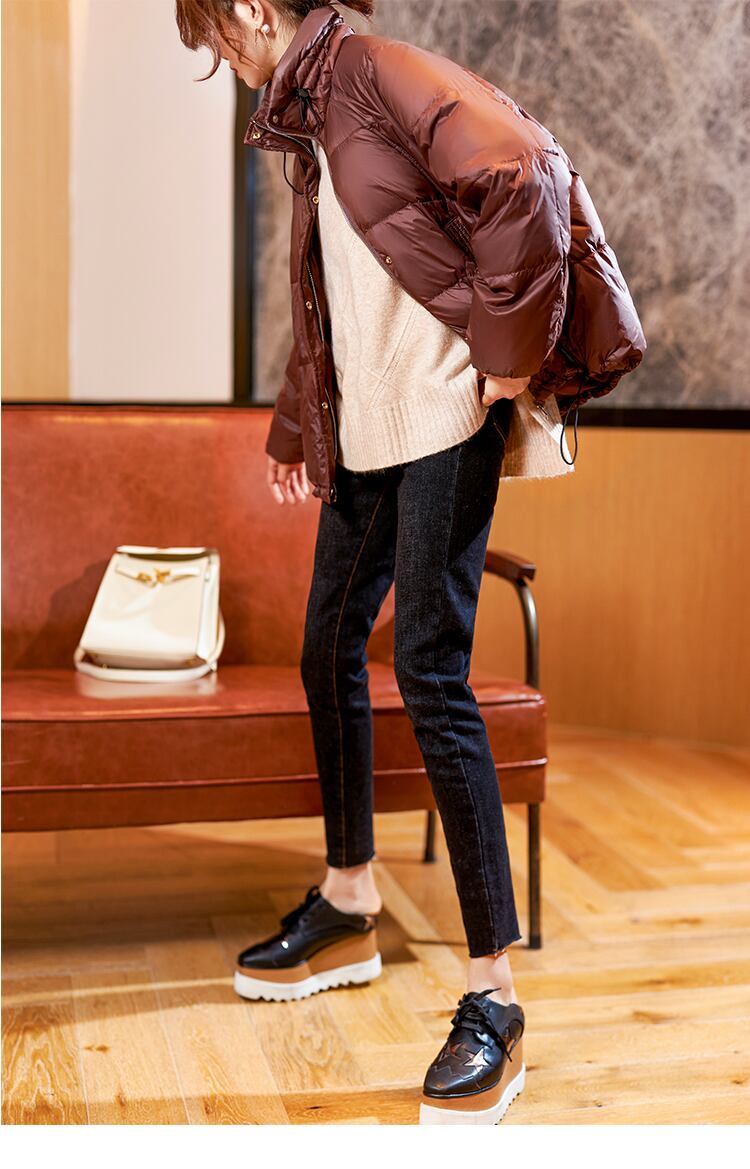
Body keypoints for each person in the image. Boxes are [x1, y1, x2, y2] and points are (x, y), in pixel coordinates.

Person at [175, 0, 645, 1126]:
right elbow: (340, 286)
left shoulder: (374, 69)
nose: (223, 63)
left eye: (218, 40)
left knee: (432, 672)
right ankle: (349, 899)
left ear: (252, 9)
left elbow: (523, 172)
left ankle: (496, 1000)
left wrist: (507, 357)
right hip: (371, 428)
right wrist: (298, 425)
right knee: (327, 644)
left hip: (441, 417)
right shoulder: (314, 108)